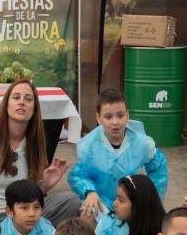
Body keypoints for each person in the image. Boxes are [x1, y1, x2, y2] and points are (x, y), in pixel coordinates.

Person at [0, 80, 79, 223]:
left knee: (73, 201)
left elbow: (28, 195)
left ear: (34, 109)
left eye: (28, 99)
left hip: (23, 215)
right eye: (16, 97)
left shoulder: (35, 141)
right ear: (6, 105)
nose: (22, 102)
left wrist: (45, 185)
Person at [69, 88, 169, 220]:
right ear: (98, 118)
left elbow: (158, 169)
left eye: (120, 115)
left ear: (127, 115)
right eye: (108, 117)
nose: (115, 122)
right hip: (101, 201)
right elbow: (78, 175)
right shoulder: (87, 146)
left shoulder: (143, 143)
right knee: (86, 217)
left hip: (132, 203)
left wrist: (148, 199)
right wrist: (89, 191)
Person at [96, 173, 165, 235]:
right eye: (116, 198)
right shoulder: (107, 224)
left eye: (121, 200)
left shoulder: (160, 234)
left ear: (138, 205)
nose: (114, 204)